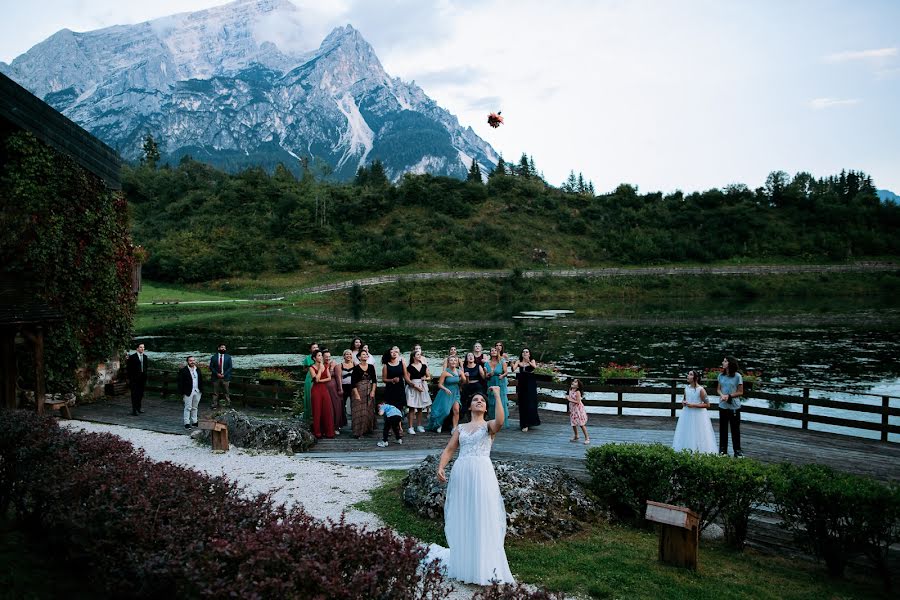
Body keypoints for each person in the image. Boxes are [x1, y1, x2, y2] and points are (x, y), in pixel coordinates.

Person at [436, 387, 514, 585]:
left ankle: (484, 566)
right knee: (464, 515)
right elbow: (450, 449)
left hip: (482, 472)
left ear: (486, 407)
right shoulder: (460, 428)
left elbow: (501, 422)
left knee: (483, 514)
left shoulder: (489, 425)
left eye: (482, 400)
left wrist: (496, 395)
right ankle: (465, 564)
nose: (479, 402)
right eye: (475, 400)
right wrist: (441, 467)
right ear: (469, 406)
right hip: (461, 471)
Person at [673, 370, 716, 453]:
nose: (688, 376)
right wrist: (684, 402)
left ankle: (699, 450)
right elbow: (685, 399)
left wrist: (693, 405)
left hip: (698, 415)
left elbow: (707, 404)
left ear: (695, 378)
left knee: (698, 433)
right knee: (686, 432)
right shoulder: (686, 388)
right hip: (686, 414)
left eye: (690, 375)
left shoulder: (701, 390)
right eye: (688, 374)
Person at [717, 355, 745, 457]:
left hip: (734, 407)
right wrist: (722, 395)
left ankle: (737, 451)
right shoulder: (721, 376)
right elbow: (718, 389)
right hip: (722, 406)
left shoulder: (738, 376)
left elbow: (740, 392)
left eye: (725, 361)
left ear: (730, 363)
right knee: (723, 429)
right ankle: (723, 450)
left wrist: (729, 396)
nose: (723, 363)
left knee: (735, 430)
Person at [428, 355, 462, 433]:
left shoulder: (459, 372)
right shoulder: (445, 373)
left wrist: (465, 377)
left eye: (455, 360)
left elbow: (464, 381)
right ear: (448, 363)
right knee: (446, 411)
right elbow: (440, 385)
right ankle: (439, 424)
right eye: (451, 360)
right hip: (446, 393)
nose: (453, 362)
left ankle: (454, 428)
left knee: (456, 410)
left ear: (457, 362)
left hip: (455, 393)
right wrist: (445, 389)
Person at [350, 350, 378, 438]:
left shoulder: (371, 367)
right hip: (359, 390)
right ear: (359, 357)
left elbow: (374, 381)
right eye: (363, 354)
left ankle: (367, 430)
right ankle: (358, 432)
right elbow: (353, 383)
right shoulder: (356, 368)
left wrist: (373, 391)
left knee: (368, 410)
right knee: (359, 411)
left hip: (369, 389)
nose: (365, 355)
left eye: (366, 354)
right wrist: (356, 394)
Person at [309, 349, 335, 439]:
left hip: (324, 389)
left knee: (327, 410)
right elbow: (315, 379)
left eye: (321, 355)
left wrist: (320, 380)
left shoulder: (325, 366)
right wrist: (320, 369)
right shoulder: (311, 368)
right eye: (319, 356)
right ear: (314, 358)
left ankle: (328, 432)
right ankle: (318, 433)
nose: (321, 357)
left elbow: (329, 378)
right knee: (317, 411)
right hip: (316, 391)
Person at [514, 348, 541, 432]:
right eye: (523, 352)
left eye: (527, 352)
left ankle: (531, 422)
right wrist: (514, 364)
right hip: (522, 383)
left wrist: (528, 361)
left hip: (530, 383)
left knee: (531, 402)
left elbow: (534, 367)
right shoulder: (519, 361)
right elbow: (513, 369)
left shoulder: (532, 360)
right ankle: (524, 424)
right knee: (523, 403)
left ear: (529, 354)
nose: (525, 353)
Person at [405, 349, 432, 434]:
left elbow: (429, 376)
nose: (419, 356)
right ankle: (410, 427)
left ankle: (419, 425)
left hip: (422, 386)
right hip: (413, 387)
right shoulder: (409, 367)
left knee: (420, 407)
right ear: (413, 357)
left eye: (420, 354)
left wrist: (425, 378)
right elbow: (408, 380)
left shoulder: (424, 366)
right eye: (417, 355)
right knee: (412, 408)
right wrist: (415, 386)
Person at [483, 347, 509, 428]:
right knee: (492, 403)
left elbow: (506, 372)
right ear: (490, 353)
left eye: (495, 351)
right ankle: (493, 421)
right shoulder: (487, 363)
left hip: (500, 383)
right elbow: (485, 377)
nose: (493, 352)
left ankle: (502, 422)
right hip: (491, 382)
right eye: (492, 351)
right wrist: (487, 374)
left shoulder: (502, 362)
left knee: (501, 402)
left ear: (497, 352)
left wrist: (502, 376)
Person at [323, 349, 346, 434]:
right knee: (327, 407)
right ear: (322, 357)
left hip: (334, 388)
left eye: (329, 356)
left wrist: (340, 388)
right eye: (326, 357)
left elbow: (338, 377)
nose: (328, 358)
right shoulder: (321, 365)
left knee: (336, 406)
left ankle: (336, 426)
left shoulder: (335, 364)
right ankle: (326, 426)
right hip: (324, 388)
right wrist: (331, 368)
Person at [177, 355, 203, 430]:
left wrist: (201, 390)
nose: (192, 362)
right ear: (187, 362)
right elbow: (180, 382)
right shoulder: (183, 370)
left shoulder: (197, 369)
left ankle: (195, 421)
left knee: (195, 407)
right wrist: (182, 393)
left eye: (193, 360)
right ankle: (187, 423)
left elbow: (200, 380)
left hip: (197, 391)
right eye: (190, 360)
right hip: (188, 391)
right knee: (188, 407)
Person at [382, 345, 407, 420]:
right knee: (391, 405)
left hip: (400, 386)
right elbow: (384, 379)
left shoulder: (401, 363)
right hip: (391, 388)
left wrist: (412, 384)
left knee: (400, 405)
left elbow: (405, 375)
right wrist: (392, 380)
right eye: (391, 352)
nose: (394, 353)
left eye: (395, 352)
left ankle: (399, 422)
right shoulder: (386, 366)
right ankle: (389, 421)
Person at [125, 343, 149, 416]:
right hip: (134, 379)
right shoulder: (132, 357)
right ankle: (134, 410)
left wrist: (145, 376)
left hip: (142, 379)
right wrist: (130, 379)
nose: (142, 349)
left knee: (140, 394)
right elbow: (128, 369)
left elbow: (146, 367)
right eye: (141, 347)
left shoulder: (145, 357)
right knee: (134, 394)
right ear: (137, 349)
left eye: (143, 347)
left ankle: (139, 408)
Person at [461, 352, 485, 417]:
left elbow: (484, 377)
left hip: (477, 385)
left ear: (474, 358)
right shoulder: (464, 367)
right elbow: (464, 381)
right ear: (466, 359)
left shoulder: (478, 366)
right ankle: (466, 415)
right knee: (465, 400)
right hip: (467, 385)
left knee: (478, 398)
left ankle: (480, 414)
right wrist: (466, 377)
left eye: (472, 356)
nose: (471, 357)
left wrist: (485, 371)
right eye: (469, 356)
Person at [208, 343, 232, 409]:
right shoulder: (214, 357)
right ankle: (214, 404)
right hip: (216, 377)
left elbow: (230, 367)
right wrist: (217, 373)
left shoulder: (228, 357)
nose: (223, 349)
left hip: (225, 377)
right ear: (218, 348)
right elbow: (211, 367)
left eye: (224, 347)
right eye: (222, 347)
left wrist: (224, 374)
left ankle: (228, 404)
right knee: (215, 392)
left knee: (226, 392)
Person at [568, 379, 590, 444]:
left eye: (575, 382)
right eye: (573, 381)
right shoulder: (570, 390)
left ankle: (587, 438)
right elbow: (570, 397)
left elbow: (577, 402)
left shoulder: (577, 392)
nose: (573, 382)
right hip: (573, 409)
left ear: (578, 386)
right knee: (573, 423)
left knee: (581, 424)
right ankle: (576, 435)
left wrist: (569, 399)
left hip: (578, 410)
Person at [339, 349, 356, 430]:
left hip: (353, 387)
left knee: (354, 405)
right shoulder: (340, 365)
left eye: (350, 354)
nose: (348, 355)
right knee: (342, 405)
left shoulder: (355, 364)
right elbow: (339, 378)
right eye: (346, 354)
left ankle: (355, 424)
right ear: (343, 356)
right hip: (344, 386)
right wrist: (340, 388)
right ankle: (342, 423)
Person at [302, 342, 319, 422]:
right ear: (310, 349)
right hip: (310, 379)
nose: (316, 349)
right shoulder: (307, 358)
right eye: (314, 347)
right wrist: (311, 368)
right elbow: (304, 369)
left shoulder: (320, 357)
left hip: (320, 378)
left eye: (317, 347)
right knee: (310, 396)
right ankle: (309, 416)